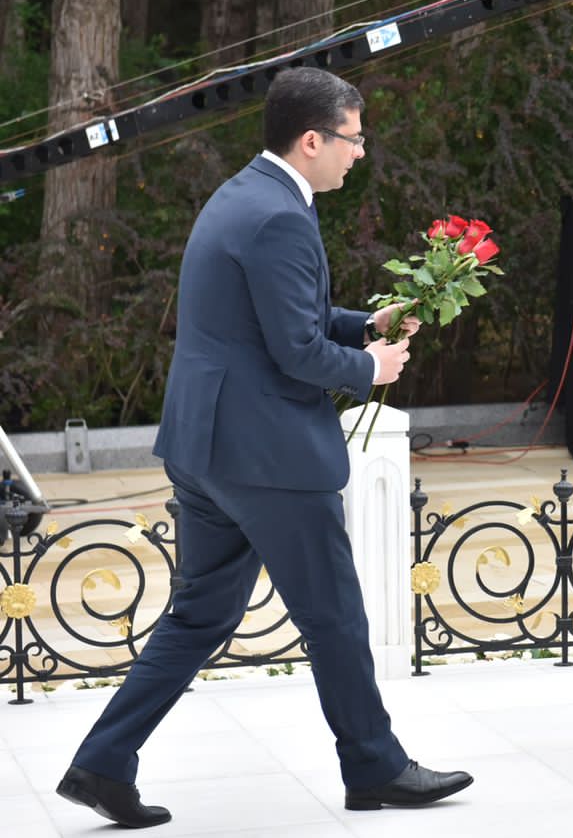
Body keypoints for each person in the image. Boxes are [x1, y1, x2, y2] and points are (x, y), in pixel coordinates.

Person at [58, 68, 471, 829]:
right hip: (268, 459)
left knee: (199, 617)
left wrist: (366, 324)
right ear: (312, 140)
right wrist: (370, 368)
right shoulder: (281, 217)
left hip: (208, 450)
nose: (360, 152)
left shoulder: (244, 194)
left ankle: (102, 764)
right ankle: (375, 768)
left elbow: (277, 319)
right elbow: (297, 353)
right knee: (334, 616)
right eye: (353, 139)